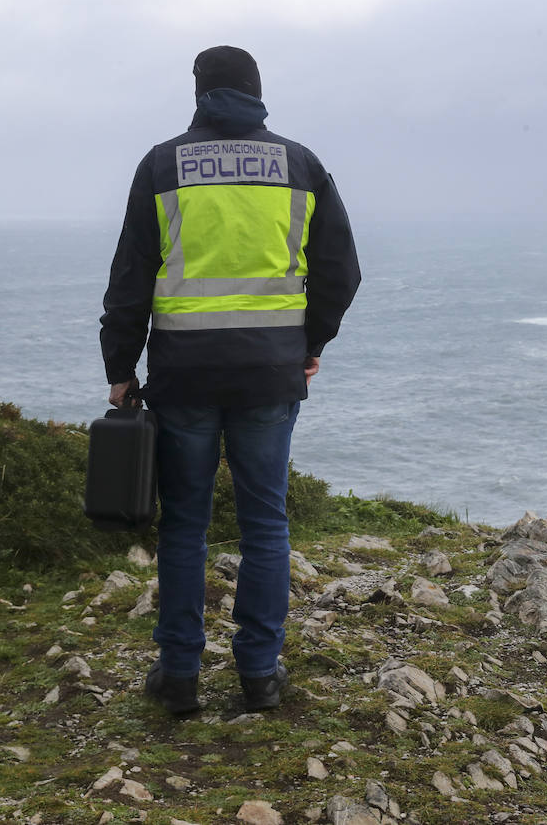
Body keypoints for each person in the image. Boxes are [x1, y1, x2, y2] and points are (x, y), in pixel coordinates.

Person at [100, 46, 361, 714]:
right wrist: (312, 342)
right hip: (271, 372)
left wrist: (120, 369)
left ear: (199, 91)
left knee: (185, 524)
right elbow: (340, 270)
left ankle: (180, 676)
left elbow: (132, 277)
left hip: (184, 372)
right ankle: (260, 676)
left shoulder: (162, 166)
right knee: (265, 523)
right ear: (257, 92)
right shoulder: (300, 165)